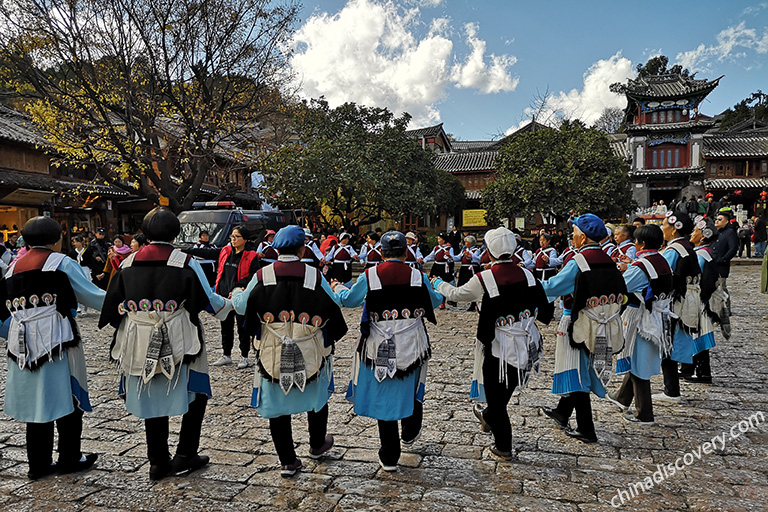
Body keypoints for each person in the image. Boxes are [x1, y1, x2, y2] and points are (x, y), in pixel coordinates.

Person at [98, 207, 231, 481]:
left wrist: (138, 321)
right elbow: (208, 301)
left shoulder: (127, 264)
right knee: (195, 393)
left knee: (151, 392)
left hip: (139, 339)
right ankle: (185, 453)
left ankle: (157, 460)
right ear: (176, 232)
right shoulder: (185, 262)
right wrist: (232, 305)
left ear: (145, 233)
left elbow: (111, 308)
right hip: (181, 338)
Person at [230, 225, 347, 477]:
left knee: (277, 404)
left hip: (272, 348)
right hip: (309, 346)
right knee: (317, 396)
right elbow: (334, 304)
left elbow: (240, 307)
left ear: (275, 248)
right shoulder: (313, 275)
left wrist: (238, 291)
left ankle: (287, 460)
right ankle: (317, 444)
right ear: (302, 248)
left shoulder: (263, 275)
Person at [432, 227, 553, 459]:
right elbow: (544, 308)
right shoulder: (528, 274)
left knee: (497, 400)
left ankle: (503, 446)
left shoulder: (484, 278)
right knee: (504, 392)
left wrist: (437, 284)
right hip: (527, 342)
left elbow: (456, 294)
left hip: (498, 343)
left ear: (489, 252)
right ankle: (488, 417)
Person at [1, 217, 105, 479]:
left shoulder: (12, 268)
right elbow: (93, 296)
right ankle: (69, 457)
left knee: (36, 402)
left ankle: (38, 463)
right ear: (57, 239)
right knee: (68, 396)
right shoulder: (61, 263)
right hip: (56, 339)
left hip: (21, 343)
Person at [332, 231, 442, 471]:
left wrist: (339, 289)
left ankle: (390, 455)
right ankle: (411, 429)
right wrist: (439, 289)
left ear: (381, 253)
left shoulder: (371, 275)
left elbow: (350, 301)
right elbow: (433, 302)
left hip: (379, 342)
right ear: (405, 252)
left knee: (384, 394)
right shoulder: (417, 275)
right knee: (410, 385)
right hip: (412, 340)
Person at [539, 214, 627, 443]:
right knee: (583, 367)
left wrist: (528, 283)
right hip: (602, 322)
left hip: (577, 322)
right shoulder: (608, 259)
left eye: (575, 232)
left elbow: (552, 287)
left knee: (576, 371)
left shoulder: (579, 262)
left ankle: (587, 428)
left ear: (584, 236)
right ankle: (562, 412)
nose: (573, 237)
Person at [608, 224, 673, 425]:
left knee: (639, 364)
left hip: (643, 319)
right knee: (638, 358)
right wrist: (632, 265)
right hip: (660, 316)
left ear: (641, 243)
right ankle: (622, 398)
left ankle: (644, 413)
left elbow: (621, 285)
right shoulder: (661, 259)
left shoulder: (641, 266)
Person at [653, 211, 701, 403]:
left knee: (668, 343)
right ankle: (672, 388)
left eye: (664, 224)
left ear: (674, 229)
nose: (662, 228)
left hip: (676, 303)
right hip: (689, 300)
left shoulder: (674, 251)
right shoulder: (687, 247)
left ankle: (671, 390)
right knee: (674, 342)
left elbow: (661, 274)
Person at [680, 216, 723, 383]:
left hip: (698, 301)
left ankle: (701, 372)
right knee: (696, 334)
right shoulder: (705, 253)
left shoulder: (701, 255)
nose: (692, 234)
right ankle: (691, 369)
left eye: (695, 231)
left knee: (697, 334)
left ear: (704, 235)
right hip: (702, 300)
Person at [711, 209, 738, 318]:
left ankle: (726, 309)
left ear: (726, 221)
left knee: (722, 288)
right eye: (716, 219)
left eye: (719, 219)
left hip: (721, 265)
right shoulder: (716, 232)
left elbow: (733, 248)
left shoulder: (729, 233)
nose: (716, 221)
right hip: (712, 265)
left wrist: (724, 259)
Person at [423, 233, 461, 309]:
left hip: (445, 267)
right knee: (434, 281)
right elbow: (431, 256)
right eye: (438, 239)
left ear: (444, 240)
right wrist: (423, 260)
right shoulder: (436, 248)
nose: (438, 240)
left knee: (443, 283)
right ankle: (436, 299)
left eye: (440, 239)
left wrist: (449, 255)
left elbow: (452, 259)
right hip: (437, 266)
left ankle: (443, 301)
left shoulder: (450, 248)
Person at [69, 235, 95, 316]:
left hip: (85, 270)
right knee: (76, 288)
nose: (75, 244)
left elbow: (91, 262)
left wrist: (91, 271)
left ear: (81, 242)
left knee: (85, 288)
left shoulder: (87, 251)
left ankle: (85, 307)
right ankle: (78, 306)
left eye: (76, 242)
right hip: (76, 270)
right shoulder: (72, 252)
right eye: (74, 242)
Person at [456, 235, 481, 311]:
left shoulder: (477, 250)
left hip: (472, 268)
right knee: (460, 284)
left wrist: (470, 255)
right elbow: (458, 257)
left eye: (466, 242)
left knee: (472, 286)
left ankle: (473, 304)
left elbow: (477, 259)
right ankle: (455, 300)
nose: (465, 243)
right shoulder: (464, 250)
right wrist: (450, 256)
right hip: (464, 268)